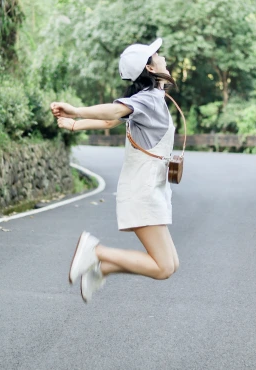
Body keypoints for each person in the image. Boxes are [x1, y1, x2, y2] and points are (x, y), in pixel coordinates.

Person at [50, 38, 180, 303]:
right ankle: (97, 253)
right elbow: (114, 110)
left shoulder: (151, 98)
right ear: (151, 69)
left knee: (172, 264)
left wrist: (75, 125)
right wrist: (75, 110)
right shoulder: (147, 100)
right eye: (156, 55)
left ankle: (103, 268)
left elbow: (111, 120)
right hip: (142, 191)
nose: (161, 56)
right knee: (164, 267)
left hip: (151, 188)